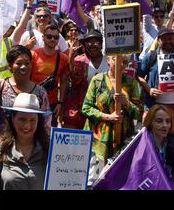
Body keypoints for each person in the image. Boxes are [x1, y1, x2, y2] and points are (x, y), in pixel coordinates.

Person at [83, 55, 141, 185]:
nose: (121, 63)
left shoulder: (131, 83)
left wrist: (126, 102)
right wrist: (108, 117)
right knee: (94, 180)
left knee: (117, 180)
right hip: (98, 142)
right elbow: (86, 108)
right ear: (108, 60)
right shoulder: (97, 81)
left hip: (122, 140)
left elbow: (138, 113)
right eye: (116, 59)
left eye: (125, 61)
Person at [0, 43, 51, 134]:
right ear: (10, 67)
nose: (23, 67)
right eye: (18, 63)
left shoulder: (40, 93)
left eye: (27, 63)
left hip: (31, 146)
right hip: (4, 145)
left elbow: (46, 126)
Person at [0, 93, 50, 190]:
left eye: (32, 120)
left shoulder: (49, 148)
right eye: (22, 119)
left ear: (38, 121)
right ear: (12, 118)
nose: (27, 126)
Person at [61, 30, 108, 129]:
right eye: (88, 42)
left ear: (101, 44)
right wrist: (70, 59)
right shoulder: (79, 60)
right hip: (81, 108)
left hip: (104, 109)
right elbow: (74, 80)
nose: (92, 45)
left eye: (96, 42)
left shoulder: (109, 61)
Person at [30, 24, 69, 127]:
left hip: (52, 103)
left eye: (56, 37)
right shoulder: (33, 55)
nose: (52, 39)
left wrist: (60, 103)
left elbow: (64, 81)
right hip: (32, 101)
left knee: (48, 136)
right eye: (49, 36)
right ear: (43, 37)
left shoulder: (63, 58)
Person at [138, 27, 174, 111]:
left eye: (170, 38)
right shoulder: (151, 56)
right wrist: (149, 89)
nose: (168, 41)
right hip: (155, 105)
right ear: (158, 41)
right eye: (164, 39)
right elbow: (139, 76)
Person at [144, 104, 174, 177]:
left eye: (167, 121)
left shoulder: (171, 142)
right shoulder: (140, 143)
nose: (165, 125)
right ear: (150, 122)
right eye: (159, 121)